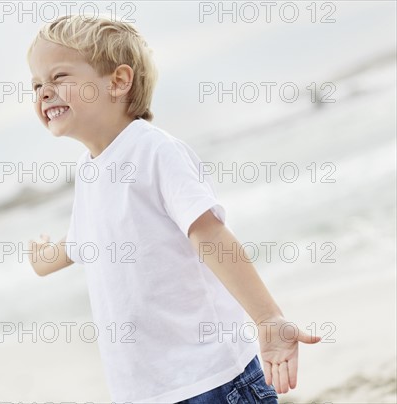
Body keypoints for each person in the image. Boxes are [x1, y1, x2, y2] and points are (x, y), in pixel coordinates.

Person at [26, 14, 321, 404]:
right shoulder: (89, 171)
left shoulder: (155, 151)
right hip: (146, 391)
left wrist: (268, 318)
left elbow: (210, 234)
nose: (44, 92)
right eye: (36, 84)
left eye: (59, 77)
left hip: (212, 378)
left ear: (117, 81)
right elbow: (86, 240)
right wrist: (43, 258)